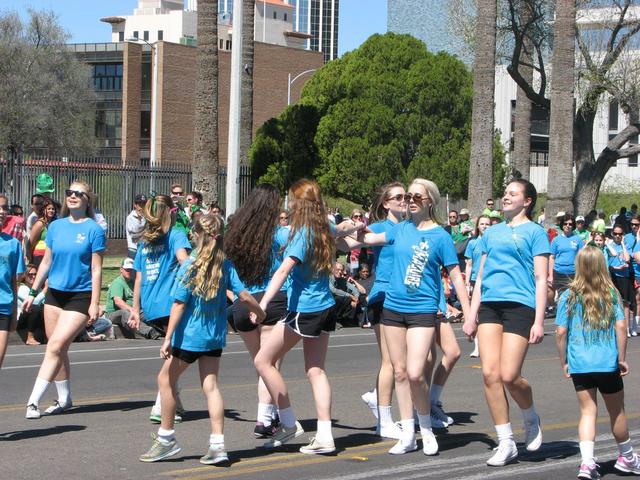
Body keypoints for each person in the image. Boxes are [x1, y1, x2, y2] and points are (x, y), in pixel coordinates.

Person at [139, 214, 265, 463]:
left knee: (165, 379)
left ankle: (166, 438)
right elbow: (243, 295)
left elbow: (178, 304)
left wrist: (167, 338)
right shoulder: (224, 264)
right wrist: (259, 311)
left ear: (196, 235)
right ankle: (217, 444)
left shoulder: (190, 265)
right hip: (214, 336)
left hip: (190, 337)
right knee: (210, 385)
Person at [358, 178, 471, 456]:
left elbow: (456, 276)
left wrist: (468, 314)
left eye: (416, 196)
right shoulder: (401, 229)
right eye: (407, 195)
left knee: (416, 372)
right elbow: (366, 239)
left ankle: (426, 427)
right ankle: (408, 433)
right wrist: (341, 229)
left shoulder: (441, 237)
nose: (409, 200)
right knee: (399, 371)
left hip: (423, 310)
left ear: (429, 201)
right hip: (393, 309)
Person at [252, 179, 358, 455]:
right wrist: (360, 226)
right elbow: (345, 232)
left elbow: (282, 271)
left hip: (304, 309)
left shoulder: (302, 235)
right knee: (315, 370)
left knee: (263, 360)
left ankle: (288, 421)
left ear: (298, 204)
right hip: (324, 307)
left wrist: (262, 303)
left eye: (290, 200)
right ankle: (325, 435)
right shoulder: (324, 228)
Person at [463, 179, 549, 466]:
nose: (506, 197)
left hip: (520, 306)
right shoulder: (492, 233)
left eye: (513, 193)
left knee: (510, 375)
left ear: (527, 201)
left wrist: (539, 320)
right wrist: (471, 314)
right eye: (505, 193)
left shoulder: (536, 233)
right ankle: (506, 441)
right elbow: (481, 275)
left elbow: (540, 279)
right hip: (490, 305)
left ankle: (530, 415)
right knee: (490, 374)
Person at [555, 246, 640, 479]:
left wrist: (564, 361)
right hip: (606, 363)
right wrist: (621, 358)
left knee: (587, 412)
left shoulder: (568, 296)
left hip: (580, 364)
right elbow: (621, 327)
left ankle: (587, 463)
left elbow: (561, 332)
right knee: (617, 412)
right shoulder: (610, 294)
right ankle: (627, 457)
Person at [23, 181, 106, 419]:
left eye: (78, 193)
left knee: (55, 346)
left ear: (88, 199)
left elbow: (97, 269)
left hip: (80, 296)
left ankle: (33, 401)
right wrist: (33, 292)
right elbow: (46, 262)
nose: (72, 196)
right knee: (59, 348)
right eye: (69, 192)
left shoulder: (94, 229)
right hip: (54, 294)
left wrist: (94, 302)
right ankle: (65, 398)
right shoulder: (57, 227)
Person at [223, 184, 290, 439]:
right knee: (270, 364)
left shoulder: (236, 235)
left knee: (261, 364)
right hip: (272, 302)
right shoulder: (279, 235)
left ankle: (267, 414)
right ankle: (264, 418)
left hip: (243, 303)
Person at [129, 194, 192, 421]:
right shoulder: (176, 234)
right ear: (172, 213)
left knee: (172, 353)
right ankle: (160, 405)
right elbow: (184, 260)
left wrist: (135, 309)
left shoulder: (145, 241)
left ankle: (175, 402)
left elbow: (138, 278)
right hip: (170, 304)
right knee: (178, 356)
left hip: (151, 306)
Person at [359, 182, 405, 440]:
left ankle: (377, 396)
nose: (403, 200)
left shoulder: (411, 228)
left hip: (407, 299)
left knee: (407, 361)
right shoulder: (379, 228)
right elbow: (348, 244)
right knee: (391, 361)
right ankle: (385, 422)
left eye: (406, 196)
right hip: (383, 296)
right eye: (397, 197)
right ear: (386, 203)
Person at [0, 194, 26, 367]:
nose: (2, 211)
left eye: (4, 207)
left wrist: (15, 313)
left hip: (4, 307)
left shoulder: (13, 244)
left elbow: (13, 281)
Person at [105, 258, 156, 339]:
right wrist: (132, 310)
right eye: (127, 270)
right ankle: (149, 332)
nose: (129, 272)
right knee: (125, 313)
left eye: (131, 270)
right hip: (113, 314)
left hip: (131, 311)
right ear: (121, 270)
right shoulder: (118, 282)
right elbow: (118, 301)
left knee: (148, 312)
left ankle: (161, 330)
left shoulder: (133, 283)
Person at [464, 214, 491, 358]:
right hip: (475, 281)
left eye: (487, 224)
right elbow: (469, 264)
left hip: (490, 281)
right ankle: (477, 347)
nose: (484, 226)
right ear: (477, 226)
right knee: (475, 315)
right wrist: (467, 282)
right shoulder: (472, 243)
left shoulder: (493, 242)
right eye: (482, 224)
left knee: (487, 315)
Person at [607, 225, 634, 338]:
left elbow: (627, 259)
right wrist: (615, 268)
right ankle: (613, 327)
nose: (618, 236)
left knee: (626, 303)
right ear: (612, 234)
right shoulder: (608, 246)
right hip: (613, 276)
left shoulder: (626, 246)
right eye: (616, 234)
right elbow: (607, 262)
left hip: (624, 277)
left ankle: (627, 328)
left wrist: (623, 244)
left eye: (620, 234)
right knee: (613, 302)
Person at [549, 213, 584, 295]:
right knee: (561, 296)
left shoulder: (578, 240)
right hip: (558, 272)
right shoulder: (556, 240)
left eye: (570, 224)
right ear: (562, 225)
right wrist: (550, 275)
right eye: (565, 223)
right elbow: (552, 257)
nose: (567, 226)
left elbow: (581, 258)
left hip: (573, 273)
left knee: (573, 295)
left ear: (573, 226)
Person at [16, 264, 46, 345]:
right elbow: (34, 302)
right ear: (24, 276)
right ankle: (30, 337)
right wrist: (45, 290)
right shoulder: (21, 288)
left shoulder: (38, 289)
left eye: (35, 274)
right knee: (35, 308)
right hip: (22, 320)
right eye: (30, 274)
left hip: (35, 319)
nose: (33, 276)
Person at [329, 262, 366, 327]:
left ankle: (362, 319)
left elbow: (354, 289)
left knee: (362, 298)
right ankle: (337, 320)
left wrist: (356, 298)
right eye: (338, 269)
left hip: (343, 300)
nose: (340, 272)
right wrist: (350, 296)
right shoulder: (329, 278)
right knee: (344, 298)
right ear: (333, 270)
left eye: (341, 270)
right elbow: (334, 290)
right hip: (330, 302)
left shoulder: (343, 280)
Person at [29, 198, 57, 267]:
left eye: (53, 209)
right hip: (39, 255)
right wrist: (30, 259)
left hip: (51, 255)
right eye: (49, 209)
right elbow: (30, 243)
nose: (51, 211)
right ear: (44, 210)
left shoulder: (55, 223)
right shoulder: (40, 224)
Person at [126, 194, 147, 259]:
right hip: (134, 249)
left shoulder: (146, 217)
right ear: (135, 205)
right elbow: (134, 236)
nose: (142, 206)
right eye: (139, 204)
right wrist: (139, 219)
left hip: (145, 248)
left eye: (144, 204)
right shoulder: (130, 217)